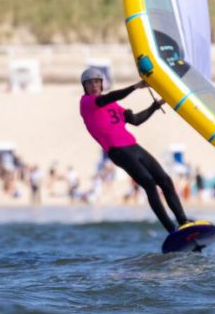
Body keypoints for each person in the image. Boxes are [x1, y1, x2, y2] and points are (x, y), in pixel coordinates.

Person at [78, 68, 188, 233]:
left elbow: (136, 120)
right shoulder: (86, 102)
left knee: (165, 180)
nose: (93, 85)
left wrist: (156, 105)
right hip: (117, 150)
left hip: (133, 146)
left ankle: (184, 222)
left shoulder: (113, 106)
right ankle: (172, 229)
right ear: (84, 86)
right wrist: (136, 86)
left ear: (101, 84)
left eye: (96, 81)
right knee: (149, 183)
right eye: (89, 82)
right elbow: (110, 96)